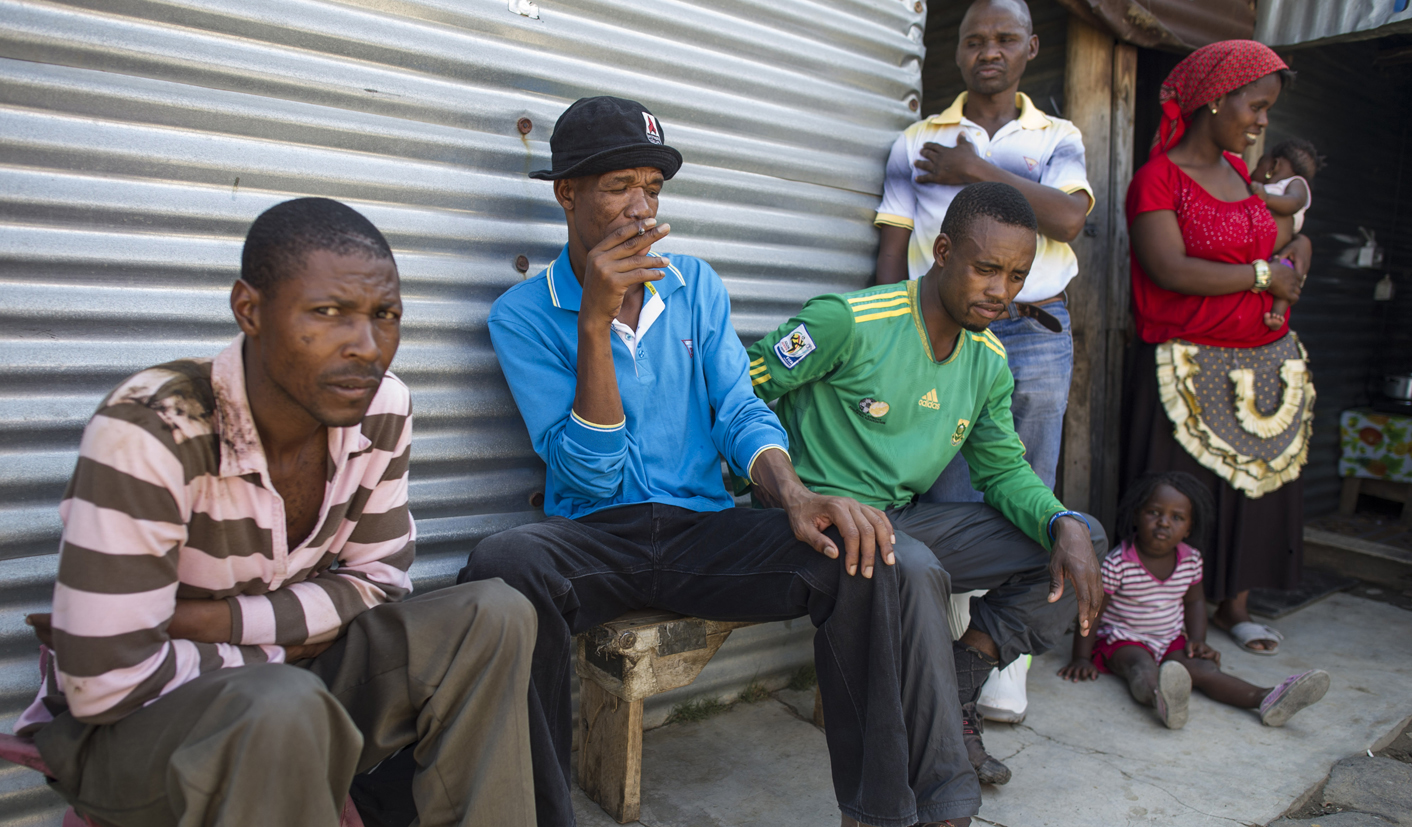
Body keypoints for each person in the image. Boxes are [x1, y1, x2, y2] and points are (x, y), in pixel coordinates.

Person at [457, 97, 971, 827]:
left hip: (704, 532)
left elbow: (739, 411)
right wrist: (596, 323)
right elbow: (590, 476)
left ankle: (880, 813)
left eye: (654, 188)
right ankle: (540, 815)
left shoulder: (694, 285)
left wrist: (791, 494)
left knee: (863, 555)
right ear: (566, 194)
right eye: (618, 186)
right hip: (596, 540)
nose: (641, 206)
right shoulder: (522, 314)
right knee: (501, 563)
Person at [17, 198, 538, 827]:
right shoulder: (154, 430)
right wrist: (280, 649)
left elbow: (379, 581)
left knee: (494, 614)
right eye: (327, 313)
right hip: (127, 738)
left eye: (385, 316)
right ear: (250, 310)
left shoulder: (382, 407)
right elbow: (106, 685)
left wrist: (212, 621)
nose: (366, 348)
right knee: (280, 701)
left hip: (292, 690)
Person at [748, 181, 1105, 790]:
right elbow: (739, 394)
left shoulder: (989, 359)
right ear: (942, 252)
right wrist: (778, 491)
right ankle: (935, 773)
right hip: (814, 528)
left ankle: (965, 674)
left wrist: (1059, 522)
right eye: (986, 269)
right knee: (908, 565)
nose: (1000, 292)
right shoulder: (849, 322)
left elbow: (1003, 472)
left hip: (897, 525)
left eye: (1017, 276)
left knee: (1080, 537)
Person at [1123, 40, 1315, 659]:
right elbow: (1169, 266)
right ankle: (1168, 613)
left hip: (1261, 360)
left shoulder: (1238, 175)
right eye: (1256, 108)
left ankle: (1237, 606)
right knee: (1185, 500)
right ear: (1213, 101)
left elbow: (1273, 234)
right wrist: (1265, 277)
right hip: (1189, 365)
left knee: (1254, 491)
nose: (1263, 123)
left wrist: (1291, 259)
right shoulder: (1157, 179)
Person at [874, 0, 1093, 503]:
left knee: (1029, 479)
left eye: (1005, 40)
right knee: (943, 476)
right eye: (974, 41)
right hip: (945, 329)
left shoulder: (1059, 137)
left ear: (1031, 47)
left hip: (1036, 328)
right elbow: (893, 251)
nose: (989, 52)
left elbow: (1068, 219)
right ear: (957, 52)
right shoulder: (917, 142)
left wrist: (974, 170)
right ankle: (950, 584)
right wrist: (890, 338)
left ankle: (1021, 583)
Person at [1057, 472, 1329, 729]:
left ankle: (1267, 698)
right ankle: (1161, 699)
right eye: (1154, 512)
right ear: (1137, 516)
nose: (1164, 522)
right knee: (1141, 666)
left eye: (1177, 517)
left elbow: (1195, 603)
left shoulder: (1190, 559)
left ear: (1189, 528)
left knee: (1203, 669)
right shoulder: (1118, 562)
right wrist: (1081, 657)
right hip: (1123, 638)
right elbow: (1092, 611)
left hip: (1169, 638)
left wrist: (1198, 640)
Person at [1251, 138, 1324, 330]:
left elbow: (1294, 202)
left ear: (1274, 165)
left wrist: (1266, 198)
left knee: (1289, 278)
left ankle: (1277, 314)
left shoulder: (1295, 183)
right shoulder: (1260, 189)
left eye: (1259, 164)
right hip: (1258, 256)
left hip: (1283, 251)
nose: (1254, 171)